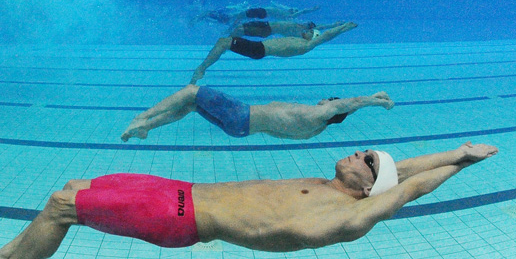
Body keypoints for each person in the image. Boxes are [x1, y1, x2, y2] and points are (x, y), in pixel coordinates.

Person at [0, 142, 498, 259]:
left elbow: (406, 186)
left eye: (368, 162)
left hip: (179, 216)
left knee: (63, 208)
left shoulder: (349, 215)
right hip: (179, 191)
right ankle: (12, 254)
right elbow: (401, 169)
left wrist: (460, 167)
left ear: (367, 189)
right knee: (75, 189)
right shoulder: (337, 185)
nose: (363, 154)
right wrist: (455, 147)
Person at [121, 86, 394, 141]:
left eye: (329, 99)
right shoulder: (312, 130)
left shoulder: (320, 112)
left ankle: (142, 118)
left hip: (241, 115)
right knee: (192, 107)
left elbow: (352, 102)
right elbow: (345, 111)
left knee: (192, 92)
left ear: (331, 105)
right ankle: (149, 128)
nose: (324, 98)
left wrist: (378, 101)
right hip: (240, 130)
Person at [190, 21, 358, 83]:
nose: (305, 31)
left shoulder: (307, 45)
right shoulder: (300, 39)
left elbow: (325, 36)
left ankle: (201, 69)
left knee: (223, 42)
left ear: (312, 37)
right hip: (258, 48)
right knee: (224, 42)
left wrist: (342, 28)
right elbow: (319, 29)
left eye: (308, 33)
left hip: (259, 49)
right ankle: (206, 65)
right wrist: (331, 24)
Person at [196, 2, 320, 25]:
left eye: (294, 10)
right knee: (234, 17)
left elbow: (300, 13)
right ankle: (208, 16)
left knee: (233, 17)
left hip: (260, 12)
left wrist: (310, 10)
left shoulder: (287, 15)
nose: (292, 9)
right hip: (259, 12)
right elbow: (278, 4)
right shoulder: (284, 11)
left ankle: (208, 16)